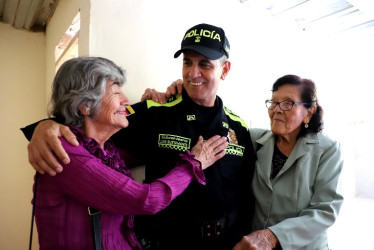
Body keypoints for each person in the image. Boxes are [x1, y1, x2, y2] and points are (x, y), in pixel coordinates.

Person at [22, 23, 256, 250]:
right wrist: (45, 127)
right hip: (168, 241)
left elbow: (247, 192)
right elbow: (85, 120)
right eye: (187, 63)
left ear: (224, 70)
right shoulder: (155, 110)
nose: (193, 73)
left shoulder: (239, 125)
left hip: (229, 242)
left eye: (204, 64)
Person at [232, 74, 344, 249]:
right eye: (274, 102)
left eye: (287, 103)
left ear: (309, 112)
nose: (277, 109)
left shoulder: (328, 149)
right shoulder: (255, 140)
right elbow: (219, 121)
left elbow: (325, 210)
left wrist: (272, 236)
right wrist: (184, 91)